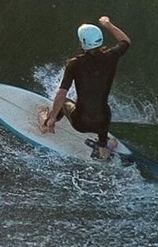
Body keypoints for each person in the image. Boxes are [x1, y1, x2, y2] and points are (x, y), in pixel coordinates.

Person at [38, 15, 131, 159]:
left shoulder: (74, 63)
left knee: (63, 102)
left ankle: (45, 125)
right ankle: (103, 145)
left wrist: (52, 117)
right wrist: (107, 24)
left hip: (81, 122)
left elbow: (61, 94)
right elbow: (125, 41)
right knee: (102, 108)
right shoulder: (112, 55)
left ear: (83, 42)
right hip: (103, 122)